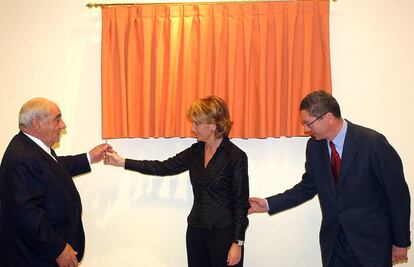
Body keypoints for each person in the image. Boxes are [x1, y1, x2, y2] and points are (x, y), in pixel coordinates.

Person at [249, 90, 410, 267]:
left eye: (308, 123)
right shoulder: (314, 146)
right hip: (334, 244)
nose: (306, 129)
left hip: (370, 245)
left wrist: (401, 241)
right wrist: (268, 203)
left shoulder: (373, 143)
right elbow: (307, 187)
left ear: (328, 117)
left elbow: (398, 194)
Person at [105, 95, 249, 267]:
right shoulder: (195, 152)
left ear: (212, 125)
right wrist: (122, 162)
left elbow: (241, 204)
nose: (192, 128)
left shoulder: (235, 157)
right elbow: (162, 167)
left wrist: (237, 243)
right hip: (196, 232)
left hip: (224, 235)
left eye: (196, 123)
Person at [0, 97, 110, 267]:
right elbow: (27, 215)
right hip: (35, 258)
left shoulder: (30, 147)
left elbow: (52, 168)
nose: (63, 125)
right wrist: (57, 249)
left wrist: (89, 158)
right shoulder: (22, 158)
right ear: (37, 123)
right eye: (57, 119)